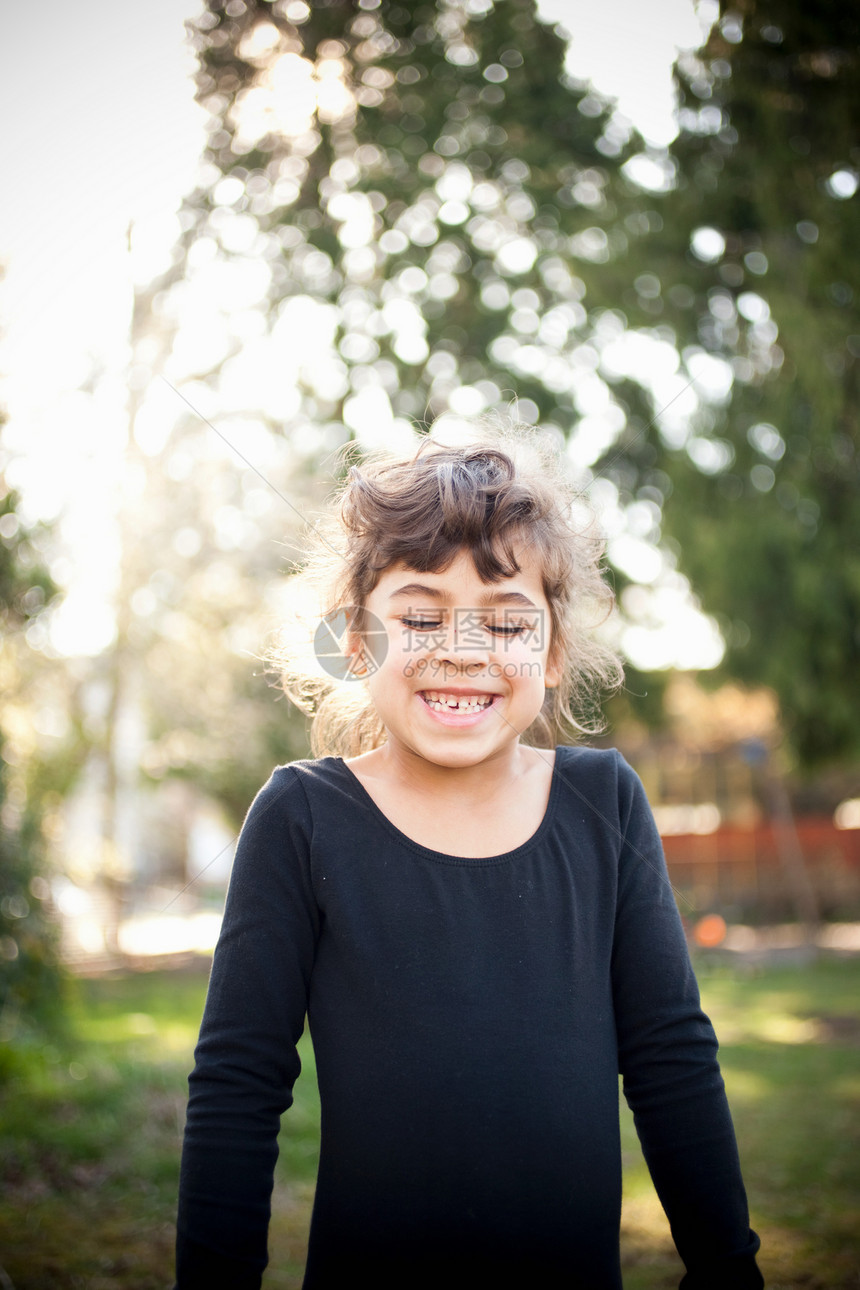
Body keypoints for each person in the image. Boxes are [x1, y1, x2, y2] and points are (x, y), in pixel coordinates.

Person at [174, 419, 764, 1289]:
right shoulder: (302, 818)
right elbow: (237, 1087)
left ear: (554, 651)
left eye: (506, 622)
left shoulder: (604, 802)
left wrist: (727, 1265)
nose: (462, 649)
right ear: (355, 638)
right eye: (419, 615)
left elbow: (671, 1057)